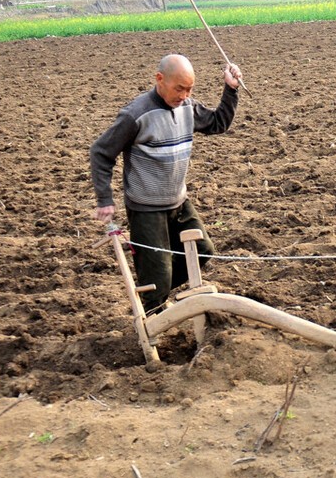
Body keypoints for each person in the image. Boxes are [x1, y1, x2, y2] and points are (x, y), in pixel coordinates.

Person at [90, 53, 242, 314]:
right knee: (155, 280)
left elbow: (218, 123)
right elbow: (101, 152)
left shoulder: (187, 108)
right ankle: (152, 321)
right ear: (160, 79)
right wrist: (105, 200)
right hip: (146, 209)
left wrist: (230, 89)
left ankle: (156, 293)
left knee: (203, 251)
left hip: (179, 203)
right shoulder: (136, 115)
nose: (184, 95)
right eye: (179, 88)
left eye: (189, 89)